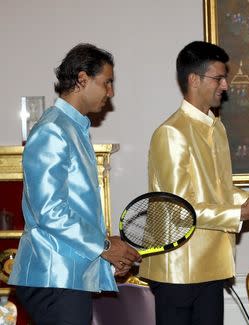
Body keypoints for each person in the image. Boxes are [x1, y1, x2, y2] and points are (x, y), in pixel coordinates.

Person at [138, 41, 249, 325]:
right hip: (179, 269)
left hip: (212, 266)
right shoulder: (171, 133)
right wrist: (243, 213)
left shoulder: (217, 127)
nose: (225, 85)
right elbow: (180, 209)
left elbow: (220, 191)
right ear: (194, 80)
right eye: (218, 78)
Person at [8, 43, 141, 324]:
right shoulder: (53, 130)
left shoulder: (73, 128)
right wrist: (105, 246)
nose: (111, 92)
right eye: (107, 83)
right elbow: (50, 211)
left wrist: (105, 256)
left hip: (65, 275)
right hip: (52, 275)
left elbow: (76, 211)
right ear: (82, 79)